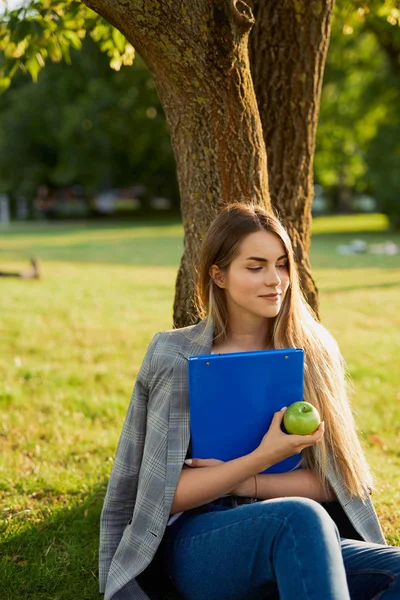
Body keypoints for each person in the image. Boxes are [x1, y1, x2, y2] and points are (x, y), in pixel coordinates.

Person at [99, 203, 400, 600]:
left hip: (305, 536)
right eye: (255, 267)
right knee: (298, 516)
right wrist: (263, 455)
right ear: (218, 275)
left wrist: (249, 479)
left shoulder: (315, 352)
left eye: (282, 264)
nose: (275, 280)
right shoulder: (175, 354)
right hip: (199, 540)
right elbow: (162, 495)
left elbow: (339, 481)